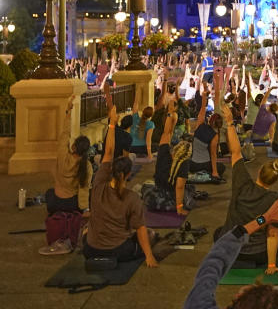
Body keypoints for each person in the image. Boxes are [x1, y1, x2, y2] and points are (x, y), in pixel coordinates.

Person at [183, 190, 278, 309]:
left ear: (238, 296)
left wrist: (264, 219)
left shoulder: (199, 305)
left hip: (245, 247)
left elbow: (217, 256)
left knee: (219, 233)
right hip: (259, 252)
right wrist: (271, 264)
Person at [84, 105, 159, 267]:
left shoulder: (98, 185)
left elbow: (108, 153)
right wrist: (149, 256)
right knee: (150, 234)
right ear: (127, 174)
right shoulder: (131, 198)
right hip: (117, 250)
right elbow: (139, 228)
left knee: (86, 232)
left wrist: (112, 123)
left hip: (90, 249)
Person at [217, 103, 278, 272]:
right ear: (273, 181)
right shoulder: (272, 200)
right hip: (255, 253)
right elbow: (272, 234)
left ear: (259, 173)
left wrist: (230, 123)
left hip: (230, 248)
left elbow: (235, 152)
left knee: (220, 232)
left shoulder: (242, 183)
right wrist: (271, 265)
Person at [42, 92, 91, 253]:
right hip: (72, 204)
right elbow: (84, 191)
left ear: (74, 147)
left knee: (49, 193)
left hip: (56, 201)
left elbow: (65, 133)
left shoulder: (63, 155)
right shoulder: (86, 166)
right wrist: (84, 210)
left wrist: (68, 111)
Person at [149, 100, 194, 215]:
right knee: (189, 189)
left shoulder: (164, 155)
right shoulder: (183, 164)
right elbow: (179, 188)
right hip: (171, 195)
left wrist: (170, 114)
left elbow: (166, 133)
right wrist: (179, 208)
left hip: (158, 191)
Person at [191, 106, 223, 177]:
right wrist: (215, 172)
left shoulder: (200, 125)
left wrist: (204, 100)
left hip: (193, 165)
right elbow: (213, 154)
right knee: (222, 167)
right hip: (204, 164)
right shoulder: (215, 136)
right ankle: (205, 171)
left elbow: (201, 112)